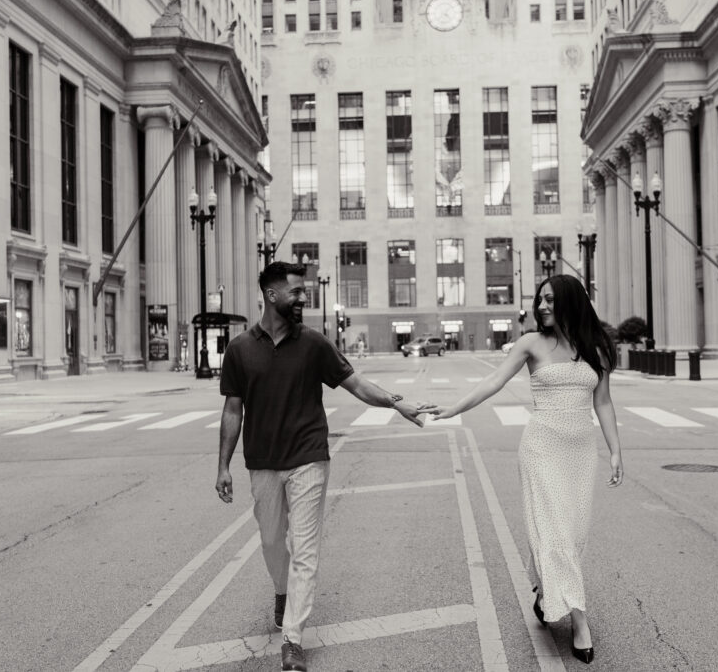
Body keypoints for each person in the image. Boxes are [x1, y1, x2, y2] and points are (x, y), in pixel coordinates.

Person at [215, 261, 428, 672]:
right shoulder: (239, 349)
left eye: (304, 291)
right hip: (262, 461)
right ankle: (282, 589)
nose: (303, 298)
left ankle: (292, 639)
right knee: (273, 542)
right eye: (296, 291)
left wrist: (397, 402)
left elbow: (356, 384)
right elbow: (232, 410)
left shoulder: (314, 344)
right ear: (272, 294)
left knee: (306, 550)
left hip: (309, 456)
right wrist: (222, 466)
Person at [421, 274, 623, 665]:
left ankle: (546, 592)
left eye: (550, 300)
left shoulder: (596, 349)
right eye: (540, 300)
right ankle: (580, 623)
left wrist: (616, 450)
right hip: (542, 448)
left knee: (573, 537)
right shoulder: (531, 344)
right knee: (556, 536)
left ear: (571, 302)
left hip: (580, 453)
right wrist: (451, 409)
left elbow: (604, 403)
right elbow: (494, 382)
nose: (543, 306)